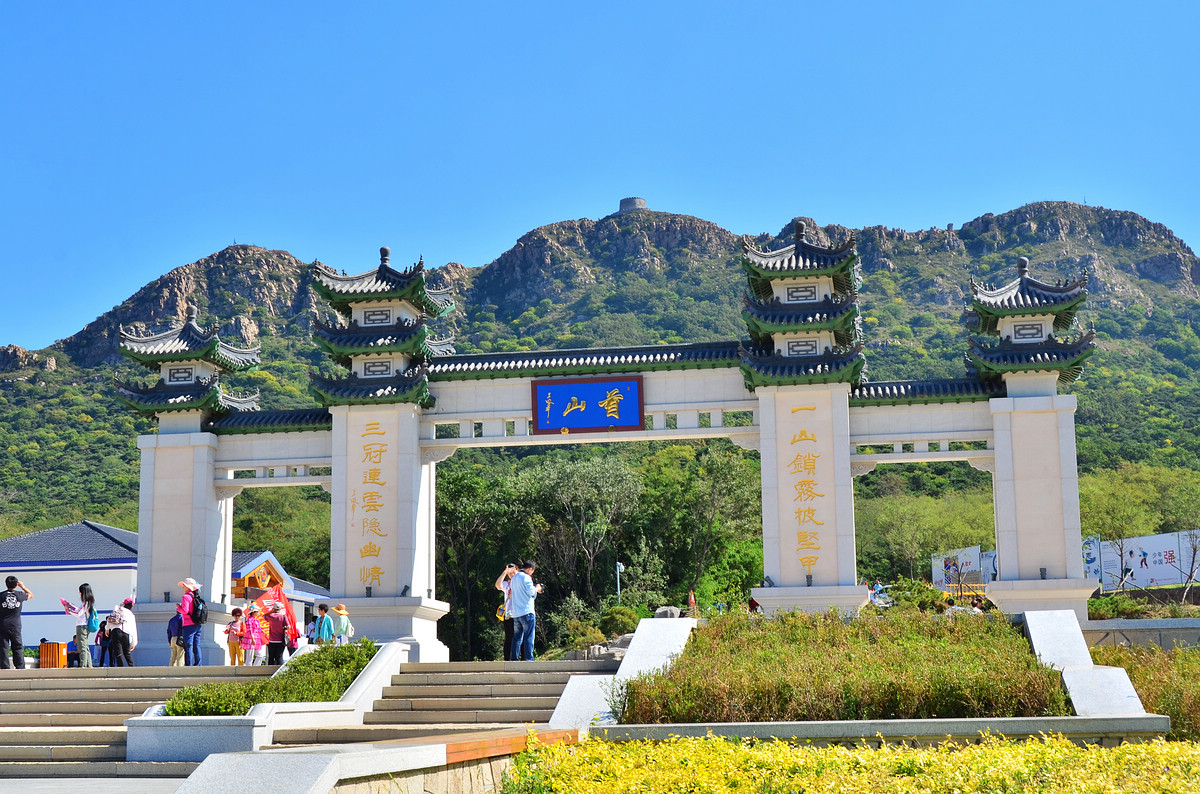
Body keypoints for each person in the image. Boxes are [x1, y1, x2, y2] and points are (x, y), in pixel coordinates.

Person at [509, 560, 543, 662]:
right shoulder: (526, 577)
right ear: (530, 569)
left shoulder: (514, 578)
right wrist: (537, 588)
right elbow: (531, 592)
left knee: (517, 638)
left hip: (516, 613)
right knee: (529, 636)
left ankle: (514, 658)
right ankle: (529, 659)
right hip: (527, 611)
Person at [0, 576, 33, 669]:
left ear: (6, 584)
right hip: (15, 625)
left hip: (2, 625)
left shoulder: (1, 595)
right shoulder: (20, 594)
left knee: (3, 647)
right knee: (17, 647)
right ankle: (20, 667)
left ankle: (5, 667)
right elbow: (31, 595)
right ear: (16, 584)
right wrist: (22, 586)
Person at [63, 582, 97, 668]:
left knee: (82, 647)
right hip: (85, 626)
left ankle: (83, 666)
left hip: (82, 626)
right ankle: (89, 666)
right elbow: (79, 611)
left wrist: (69, 610)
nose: (79, 593)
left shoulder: (86, 603)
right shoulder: (89, 603)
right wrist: (71, 606)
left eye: (80, 592)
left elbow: (78, 613)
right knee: (85, 647)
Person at [177, 577, 203, 666]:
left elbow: (185, 610)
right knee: (197, 645)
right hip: (197, 624)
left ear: (187, 587)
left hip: (188, 624)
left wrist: (178, 607)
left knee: (188, 646)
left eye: (183, 586)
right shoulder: (195, 596)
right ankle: (198, 664)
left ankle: (189, 665)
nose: (182, 588)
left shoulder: (185, 597)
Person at [494, 563, 517, 661]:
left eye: (513, 572)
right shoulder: (507, 584)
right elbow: (498, 585)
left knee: (521, 637)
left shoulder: (522, 581)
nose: (511, 574)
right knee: (509, 638)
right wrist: (505, 572)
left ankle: (522, 658)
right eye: (510, 573)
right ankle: (507, 659)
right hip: (509, 615)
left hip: (520, 613)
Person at [106, 598, 138, 666]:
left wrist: (107, 629)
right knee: (127, 652)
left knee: (118, 652)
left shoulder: (118, 609)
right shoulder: (131, 615)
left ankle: (121, 669)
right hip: (126, 633)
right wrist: (134, 643)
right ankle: (131, 667)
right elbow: (133, 629)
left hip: (116, 631)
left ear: (124, 604)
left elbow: (111, 619)